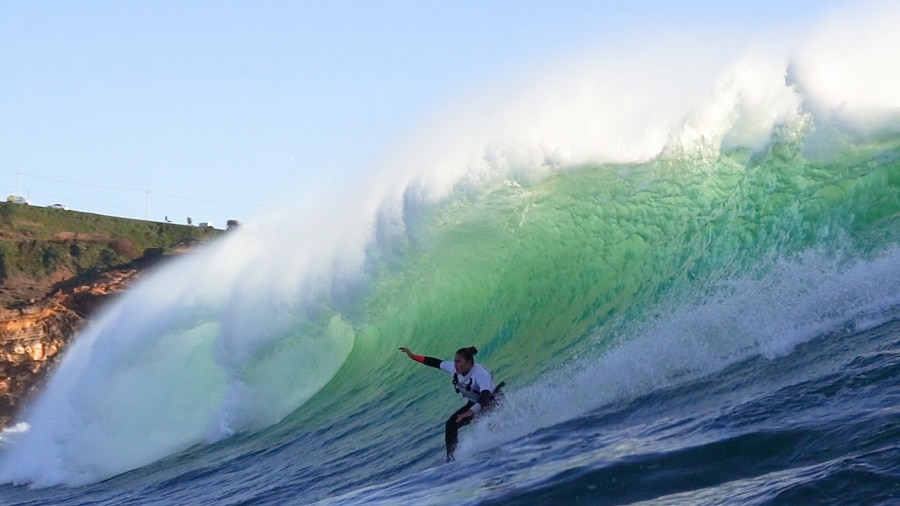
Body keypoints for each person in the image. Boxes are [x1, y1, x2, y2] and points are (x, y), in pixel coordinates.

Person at [399, 346, 504, 462]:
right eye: (455, 361)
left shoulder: (480, 374)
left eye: (459, 362)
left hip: (491, 401)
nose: (455, 364)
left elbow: (485, 396)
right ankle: (452, 459)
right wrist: (413, 356)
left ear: (469, 362)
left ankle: (499, 452)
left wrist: (470, 412)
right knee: (451, 425)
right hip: (473, 403)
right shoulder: (454, 369)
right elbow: (435, 362)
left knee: (490, 426)